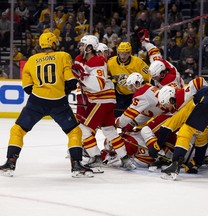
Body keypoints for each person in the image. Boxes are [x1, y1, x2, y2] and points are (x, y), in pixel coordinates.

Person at [0, 32, 93, 178]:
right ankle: (76, 166)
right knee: (74, 132)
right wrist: (60, 90)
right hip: (59, 103)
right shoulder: (63, 56)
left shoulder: (31, 59)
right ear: (54, 43)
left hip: (37, 102)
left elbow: (27, 88)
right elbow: (71, 82)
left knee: (17, 130)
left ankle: (10, 163)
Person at [73, 35, 136, 171]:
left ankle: (95, 158)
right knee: (110, 131)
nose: (80, 47)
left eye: (83, 45)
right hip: (103, 101)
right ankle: (125, 159)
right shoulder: (84, 59)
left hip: (101, 101)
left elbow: (97, 86)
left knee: (84, 129)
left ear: (90, 48)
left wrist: (80, 77)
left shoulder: (98, 61)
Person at [107, 41, 150, 117]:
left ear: (129, 53)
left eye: (126, 53)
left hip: (134, 95)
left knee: (133, 117)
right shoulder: (111, 62)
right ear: (118, 52)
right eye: (121, 53)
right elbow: (105, 76)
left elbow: (149, 77)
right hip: (119, 95)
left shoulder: (138, 62)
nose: (123, 56)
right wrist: (113, 79)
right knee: (117, 116)